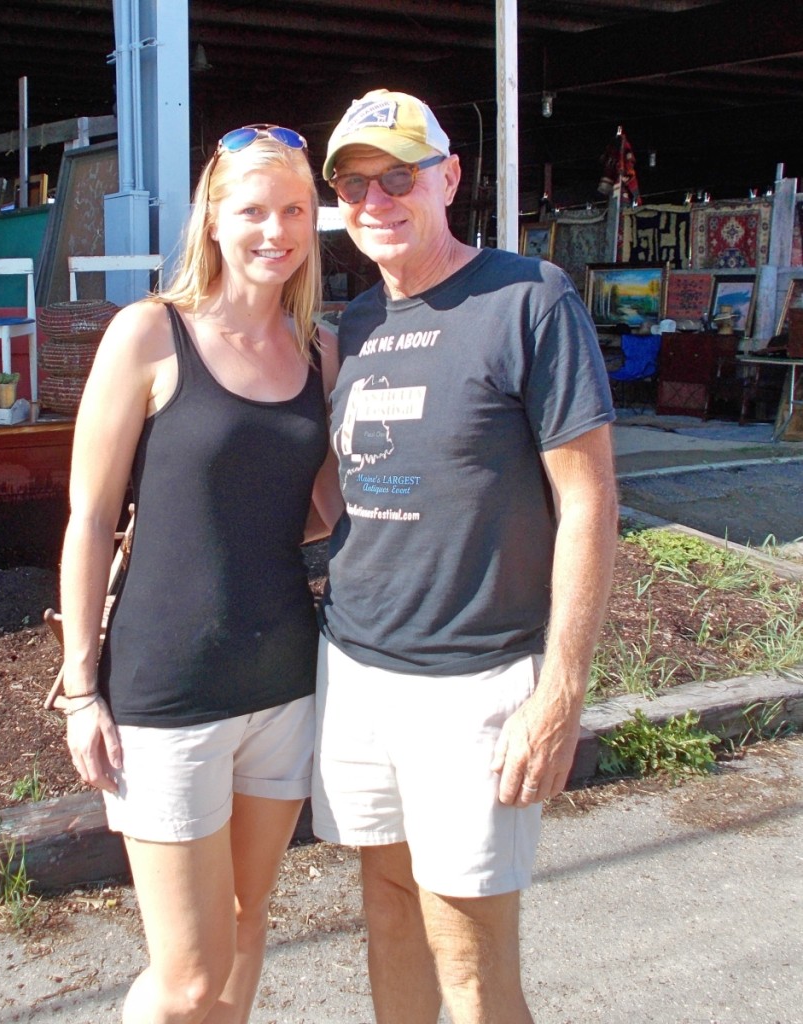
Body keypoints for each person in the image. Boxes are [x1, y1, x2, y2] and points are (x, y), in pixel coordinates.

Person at [312, 89, 619, 1023]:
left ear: (448, 177)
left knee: (471, 948)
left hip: (477, 679)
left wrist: (559, 691)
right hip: (357, 667)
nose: (377, 201)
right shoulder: (352, 327)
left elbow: (589, 498)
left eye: (398, 176)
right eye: (355, 185)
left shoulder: (527, 297)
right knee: (389, 904)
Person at [58, 124, 339, 1024]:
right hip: (168, 692)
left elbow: (338, 512)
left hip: (283, 683)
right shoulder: (149, 334)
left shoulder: (321, 354)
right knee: (184, 981)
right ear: (212, 218)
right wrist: (78, 689)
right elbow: (91, 519)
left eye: (293, 209)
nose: (275, 230)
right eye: (252, 209)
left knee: (249, 925)